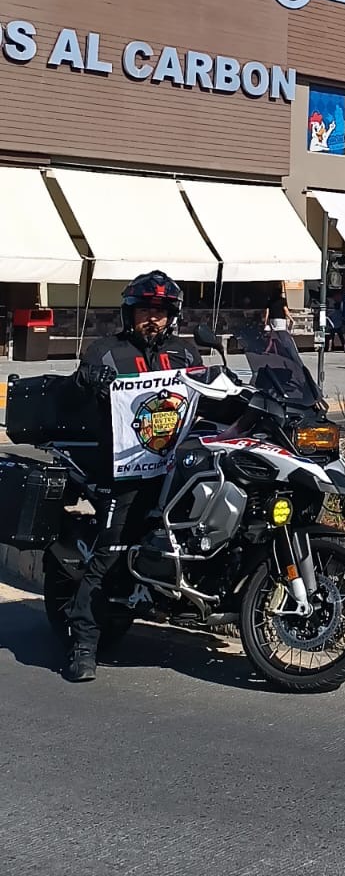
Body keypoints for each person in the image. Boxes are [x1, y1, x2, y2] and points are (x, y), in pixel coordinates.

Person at [63, 270, 204, 683]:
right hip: (123, 471)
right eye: (145, 309)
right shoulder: (106, 352)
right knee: (110, 552)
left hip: (176, 469)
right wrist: (86, 380)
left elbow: (210, 399)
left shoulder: (185, 355)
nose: (152, 319)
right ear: (130, 312)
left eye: (160, 312)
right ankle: (84, 645)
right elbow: (73, 397)